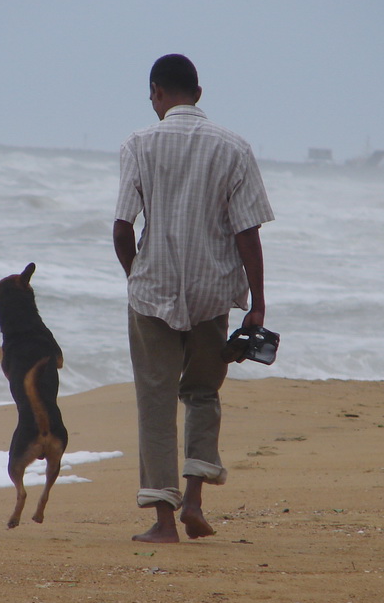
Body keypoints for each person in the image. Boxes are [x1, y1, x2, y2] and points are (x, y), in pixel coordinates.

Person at [113, 54, 274, 544]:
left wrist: (136, 276)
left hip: (152, 292)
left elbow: (123, 226)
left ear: (156, 93)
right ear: (198, 94)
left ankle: (163, 521)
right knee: (203, 393)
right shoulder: (235, 148)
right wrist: (258, 303)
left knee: (156, 402)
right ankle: (196, 501)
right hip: (213, 293)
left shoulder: (138, 144)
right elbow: (247, 233)